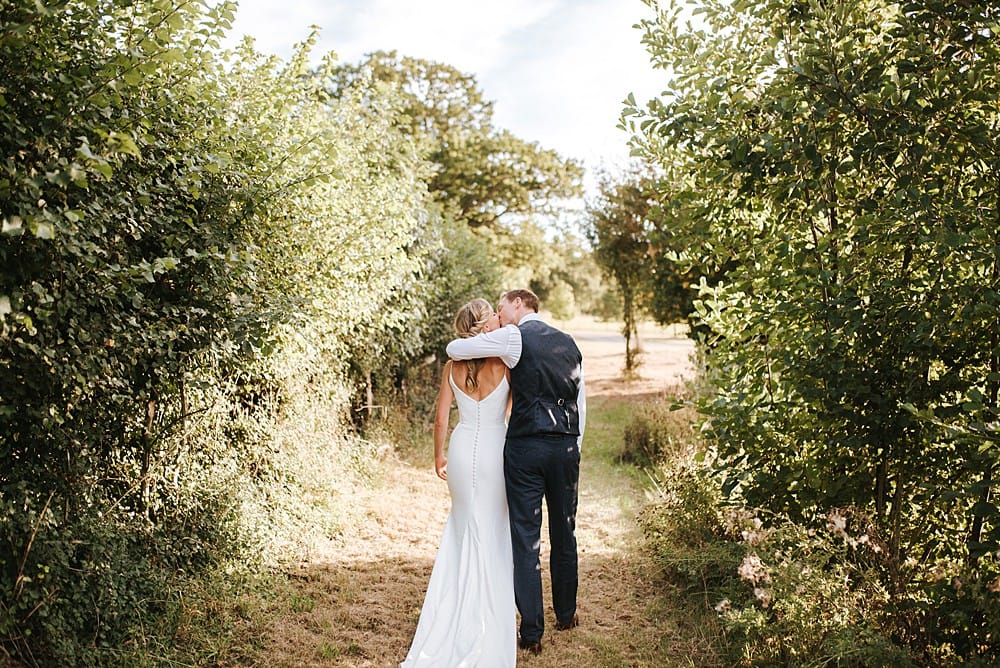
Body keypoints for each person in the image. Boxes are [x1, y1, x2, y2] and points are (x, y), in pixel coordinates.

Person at [446, 288, 585, 656]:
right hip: (565, 446)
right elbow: (578, 401)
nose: (500, 313)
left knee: (525, 537)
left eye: (503, 306)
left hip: (525, 447)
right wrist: (575, 446)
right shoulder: (569, 342)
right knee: (564, 529)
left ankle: (532, 631)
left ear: (519, 304)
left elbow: (457, 350)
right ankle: (567, 613)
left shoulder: (513, 335)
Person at [401, 298, 516, 668]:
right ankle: (488, 614)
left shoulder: (452, 365)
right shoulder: (505, 364)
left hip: (463, 448)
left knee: (463, 528)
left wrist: (438, 457)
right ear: (486, 324)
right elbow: (516, 409)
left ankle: (452, 613)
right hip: (497, 450)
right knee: (494, 528)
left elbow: (440, 418)